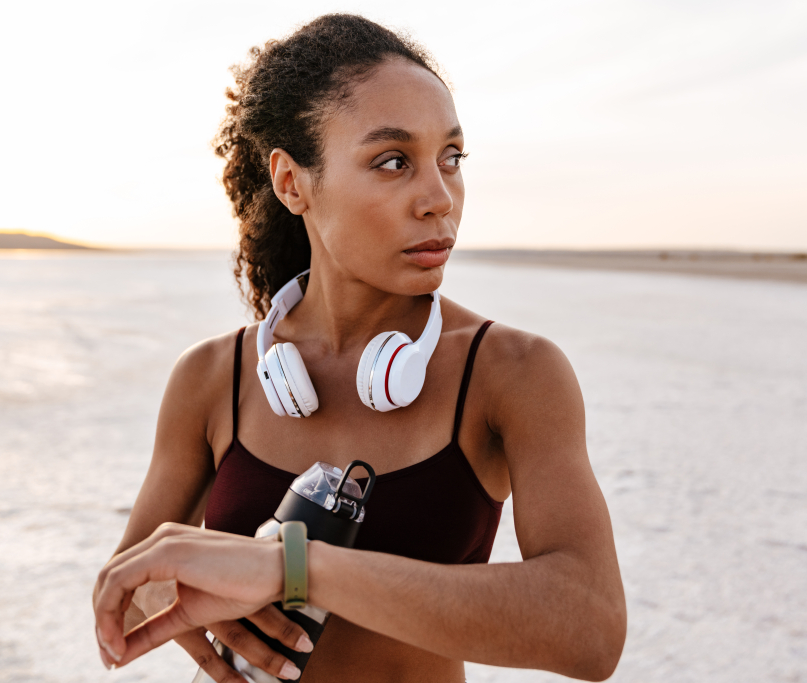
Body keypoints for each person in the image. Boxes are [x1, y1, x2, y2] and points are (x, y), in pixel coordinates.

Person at [93, 13, 626, 683]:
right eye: (393, 161)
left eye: (451, 158)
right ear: (292, 183)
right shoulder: (211, 377)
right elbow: (125, 593)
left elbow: (590, 625)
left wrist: (295, 566)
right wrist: (191, 594)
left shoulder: (512, 373)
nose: (440, 199)